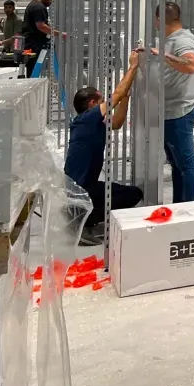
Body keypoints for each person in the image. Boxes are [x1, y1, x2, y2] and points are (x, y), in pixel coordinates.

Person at [64, 50, 144, 245]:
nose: (104, 103)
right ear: (92, 103)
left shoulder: (92, 123)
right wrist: (133, 65)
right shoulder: (86, 119)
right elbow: (115, 96)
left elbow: (116, 123)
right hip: (78, 189)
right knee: (130, 196)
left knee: (132, 193)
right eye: (101, 100)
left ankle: (81, 214)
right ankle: (80, 221)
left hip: (84, 185)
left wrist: (125, 98)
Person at [153, 2, 194, 203]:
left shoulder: (184, 40)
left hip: (179, 111)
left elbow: (190, 65)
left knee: (186, 164)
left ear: (160, 19)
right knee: (177, 164)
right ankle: (179, 206)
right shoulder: (171, 39)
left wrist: (160, 54)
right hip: (170, 110)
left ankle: (188, 210)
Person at [21, 0, 65, 77]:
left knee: (31, 70)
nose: (52, 1)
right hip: (35, 45)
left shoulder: (32, 4)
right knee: (33, 71)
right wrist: (60, 34)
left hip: (30, 43)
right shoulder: (39, 7)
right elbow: (41, 26)